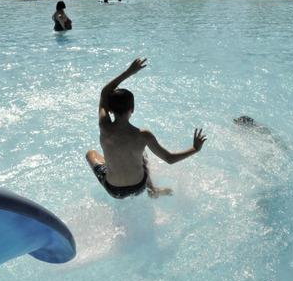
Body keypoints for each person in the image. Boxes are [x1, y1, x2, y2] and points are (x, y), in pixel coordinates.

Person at [86, 58, 207, 199]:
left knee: (91, 154)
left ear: (110, 110)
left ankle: (114, 166)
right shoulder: (143, 135)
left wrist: (129, 72)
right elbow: (169, 158)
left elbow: (105, 92)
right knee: (142, 154)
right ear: (133, 109)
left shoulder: (104, 126)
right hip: (139, 186)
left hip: (114, 190)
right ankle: (152, 190)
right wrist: (195, 149)